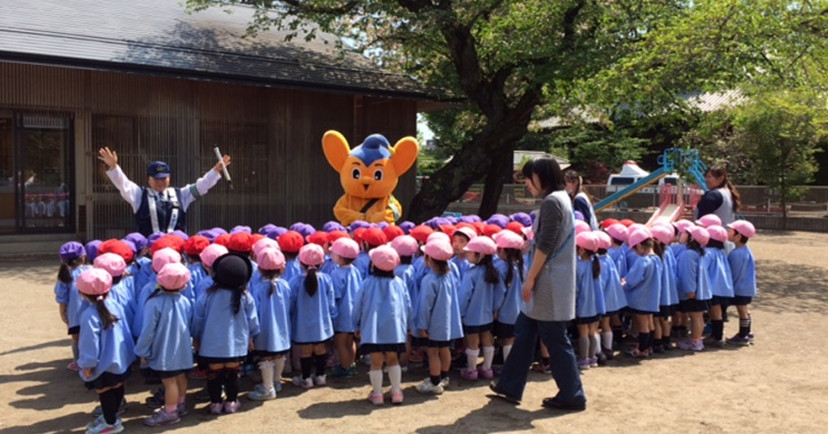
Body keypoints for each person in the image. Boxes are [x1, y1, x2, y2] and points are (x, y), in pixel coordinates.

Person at [489, 158, 586, 412]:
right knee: (526, 330)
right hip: (551, 279)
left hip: (549, 281)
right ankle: (510, 385)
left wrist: (530, 277)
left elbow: (546, 244)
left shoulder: (553, 201)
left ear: (542, 177)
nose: (527, 184)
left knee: (554, 338)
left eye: (530, 179)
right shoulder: (561, 198)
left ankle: (572, 393)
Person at [97, 147, 231, 236]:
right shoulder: (139, 195)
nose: (160, 182)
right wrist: (113, 166)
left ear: (169, 178)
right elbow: (123, 184)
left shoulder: (181, 194)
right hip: (150, 253)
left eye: (164, 178)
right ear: (148, 179)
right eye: (156, 179)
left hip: (176, 250)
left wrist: (215, 170)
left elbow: (201, 186)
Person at [192, 253, 259, 415]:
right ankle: (231, 402)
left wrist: (196, 338)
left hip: (211, 345)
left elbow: (198, 318)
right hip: (236, 345)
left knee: (214, 373)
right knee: (232, 373)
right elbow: (253, 320)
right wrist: (251, 337)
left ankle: (215, 404)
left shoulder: (207, 295)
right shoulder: (245, 296)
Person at [76, 268, 135, 434]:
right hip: (120, 357)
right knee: (117, 385)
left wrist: (87, 363)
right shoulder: (114, 304)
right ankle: (112, 417)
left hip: (102, 362)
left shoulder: (88, 314)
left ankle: (111, 423)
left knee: (104, 390)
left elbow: (89, 342)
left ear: (82, 293)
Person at [134, 263, 193, 427]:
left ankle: (170, 412)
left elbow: (147, 331)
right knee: (181, 377)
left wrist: (142, 350)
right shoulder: (185, 301)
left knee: (169, 382)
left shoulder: (153, 303)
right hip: (183, 349)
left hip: (164, 350)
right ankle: (180, 405)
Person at [353, 245, 412, 405]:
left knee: (376, 361)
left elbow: (358, 305)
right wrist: (408, 324)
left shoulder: (367, 283)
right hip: (394, 329)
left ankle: (377, 394)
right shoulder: (399, 283)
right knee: (393, 359)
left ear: (373, 264)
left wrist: (356, 324)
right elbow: (407, 305)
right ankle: (396, 392)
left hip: (373, 329)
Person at [414, 238, 463, 395]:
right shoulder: (449, 275)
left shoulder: (429, 280)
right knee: (445, 349)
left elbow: (425, 306)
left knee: (433, 352)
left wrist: (422, 325)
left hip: (434, 323)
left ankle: (435, 382)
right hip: (447, 322)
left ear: (429, 259)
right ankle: (444, 377)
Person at [247, 248, 293, 401]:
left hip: (264, 329)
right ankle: (276, 381)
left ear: (259, 268)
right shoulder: (285, 285)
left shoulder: (258, 288)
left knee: (265, 357)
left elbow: (254, 310)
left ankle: (268, 388)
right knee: (279, 354)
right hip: (282, 327)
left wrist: (251, 331)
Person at [289, 244, 337, 388]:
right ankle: (321, 376)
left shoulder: (295, 281)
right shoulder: (326, 279)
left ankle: (306, 378)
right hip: (322, 322)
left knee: (305, 350)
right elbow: (331, 303)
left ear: (300, 262)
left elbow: (291, 302)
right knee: (320, 348)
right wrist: (333, 317)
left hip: (302, 322)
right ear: (322, 262)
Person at [457, 236, 505, 381]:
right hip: (487, 315)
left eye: (470, 252)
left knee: (472, 343)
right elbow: (500, 293)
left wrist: (459, 312)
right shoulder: (494, 272)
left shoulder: (471, 274)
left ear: (480, 255)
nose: (467, 254)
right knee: (487, 340)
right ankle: (487, 369)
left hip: (471, 315)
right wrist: (495, 309)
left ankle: (471, 370)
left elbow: (464, 296)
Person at [622, 228, 663, 358]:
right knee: (650, 322)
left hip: (641, 297)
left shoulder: (642, 261)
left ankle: (642, 348)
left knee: (643, 324)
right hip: (652, 296)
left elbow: (633, 280)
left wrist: (624, 283)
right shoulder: (657, 258)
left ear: (639, 246)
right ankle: (648, 347)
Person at [328, 237, 363, 378]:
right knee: (350, 341)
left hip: (342, 313)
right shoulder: (355, 271)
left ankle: (344, 367)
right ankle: (351, 364)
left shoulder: (337, 273)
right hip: (354, 312)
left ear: (340, 256)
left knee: (340, 343)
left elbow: (335, 294)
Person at [54, 241, 90, 371]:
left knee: (76, 338)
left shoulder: (65, 276)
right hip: (93, 311)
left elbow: (61, 297)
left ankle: (78, 361)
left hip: (75, 314)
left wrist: (63, 314)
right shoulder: (92, 270)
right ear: (84, 256)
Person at [676, 226, 713, 351]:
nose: (682, 234)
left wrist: (690, 290)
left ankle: (695, 341)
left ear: (691, 238)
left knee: (696, 316)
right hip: (702, 290)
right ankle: (696, 339)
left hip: (694, 291)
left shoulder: (688, 254)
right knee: (698, 316)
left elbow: (688, 274)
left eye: (686, 233)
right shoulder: (700, 252)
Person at [725, 220, 757, 346]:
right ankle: (747, 332)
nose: (728, 232)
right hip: (747, 286)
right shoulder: (746, 250)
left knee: (742, 310)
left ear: (738, 236)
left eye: (731, 231)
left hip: (740, 288)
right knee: (745, 310)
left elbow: (734, 273)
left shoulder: (736, 253)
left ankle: (743, 334)